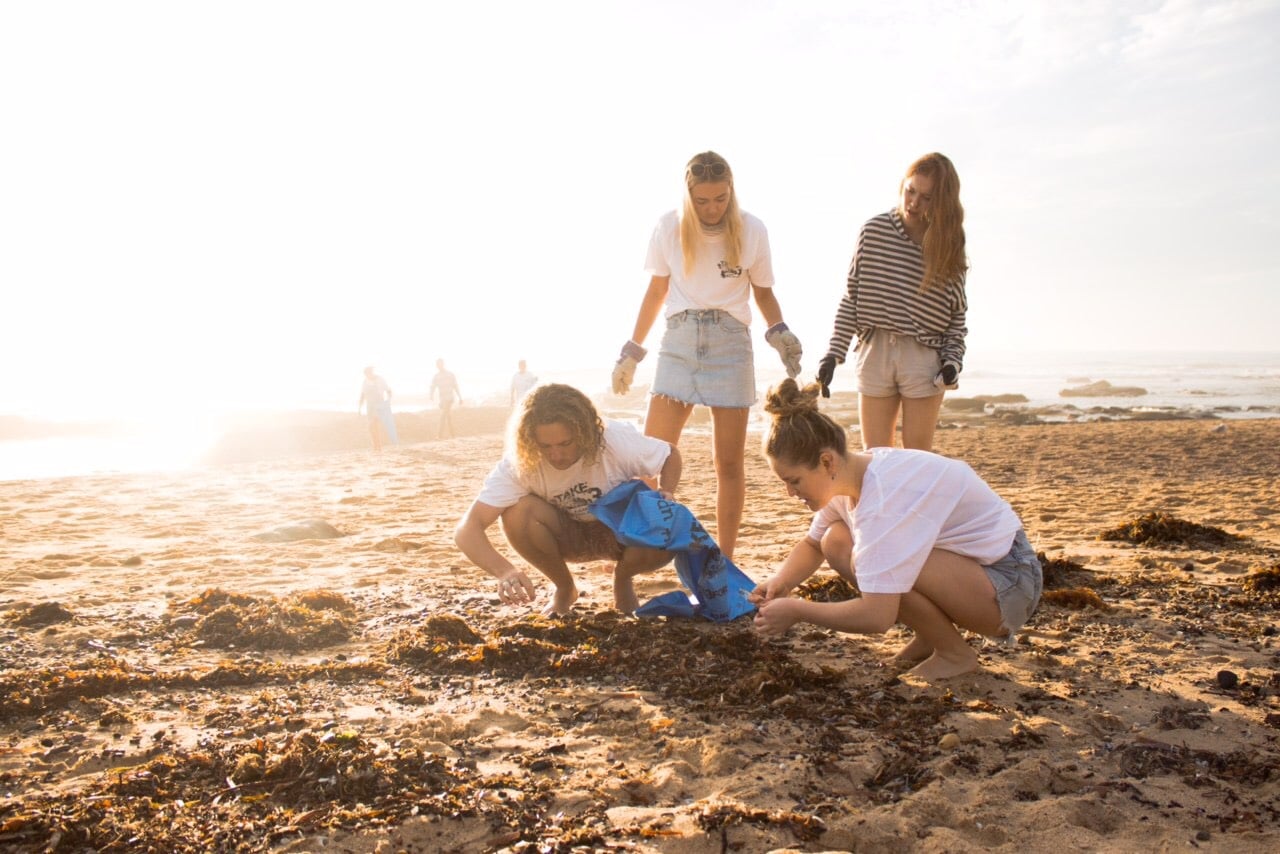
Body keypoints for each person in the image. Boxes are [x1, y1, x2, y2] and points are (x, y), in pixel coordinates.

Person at [749, 379, 1042, 681]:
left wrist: (798, 610)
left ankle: (955, 654)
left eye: (794, 481)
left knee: (879, 562)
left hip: (1009, 584)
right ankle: (933, 636)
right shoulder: (850, 476)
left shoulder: (884, 499)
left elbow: (877, 616)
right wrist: (781, 582)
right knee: (834, 540)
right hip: (970, 574)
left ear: (827, 461)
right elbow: (813, 546)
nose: (789, 492)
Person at [612, 150, 803, 560]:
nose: (712, 208)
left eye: (720, 199)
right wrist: (632, 351)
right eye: (702, 200)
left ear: (731, 192)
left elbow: (763, 292)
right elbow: (656, 292)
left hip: (731, 343)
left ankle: (726, 558)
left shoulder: (752, 230)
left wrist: (780, 332)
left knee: (729, 464)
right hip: (679, 341)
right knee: (650, 457)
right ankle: (637, 551)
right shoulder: (668, 226)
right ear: (688, 195)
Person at [454, 383, 682, 616]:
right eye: (545, 446)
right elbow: (467, 528)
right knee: (517, 512)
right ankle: (564, 588)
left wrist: (667, 490)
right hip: (567, 537)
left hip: (622, 534)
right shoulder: (520, 463)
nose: (556, 455)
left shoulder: (613, 439)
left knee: (668, 517)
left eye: (565, 443)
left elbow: (670, 455)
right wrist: (505, 572)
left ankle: (622, 579)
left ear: (585, 432)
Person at [816, 152, 968, 451]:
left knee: (917, 459)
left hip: (924, 357)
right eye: (910, 191)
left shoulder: (948, 243)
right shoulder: (874, 231)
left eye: (926, 198)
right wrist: (833, 355)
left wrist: (952, 362)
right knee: (876, 458)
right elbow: (852, 298)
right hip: (876, 351)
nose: (913, 203)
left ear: (941, 201)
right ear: (902, 186)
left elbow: (956, 319)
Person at [357, 366, 398, 451]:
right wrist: (360, 407)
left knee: (373, 424)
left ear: (371, 372)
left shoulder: (380, 380)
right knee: (372, 427)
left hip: (379, 404)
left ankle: (378, 445)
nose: (367, 376)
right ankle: (376, 445)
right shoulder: (365, 381)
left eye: (368, 374)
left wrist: (388, 400)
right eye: (366, 375)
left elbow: (388, 390)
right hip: (369, 406)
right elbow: (363, 394)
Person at [429, 358, 462, 438]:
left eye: (440, 364)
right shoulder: (436, 376)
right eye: (438, 365)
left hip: (449, 398)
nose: (439, 366)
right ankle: (453, 434)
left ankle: (440, 435)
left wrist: (460, 397)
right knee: (448, 416)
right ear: (436, 366)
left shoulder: (450, 374)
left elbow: (455, 386)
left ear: (443, 364)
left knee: (443, 415)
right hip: (442, 399)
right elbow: (432, 386)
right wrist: (431, 395)